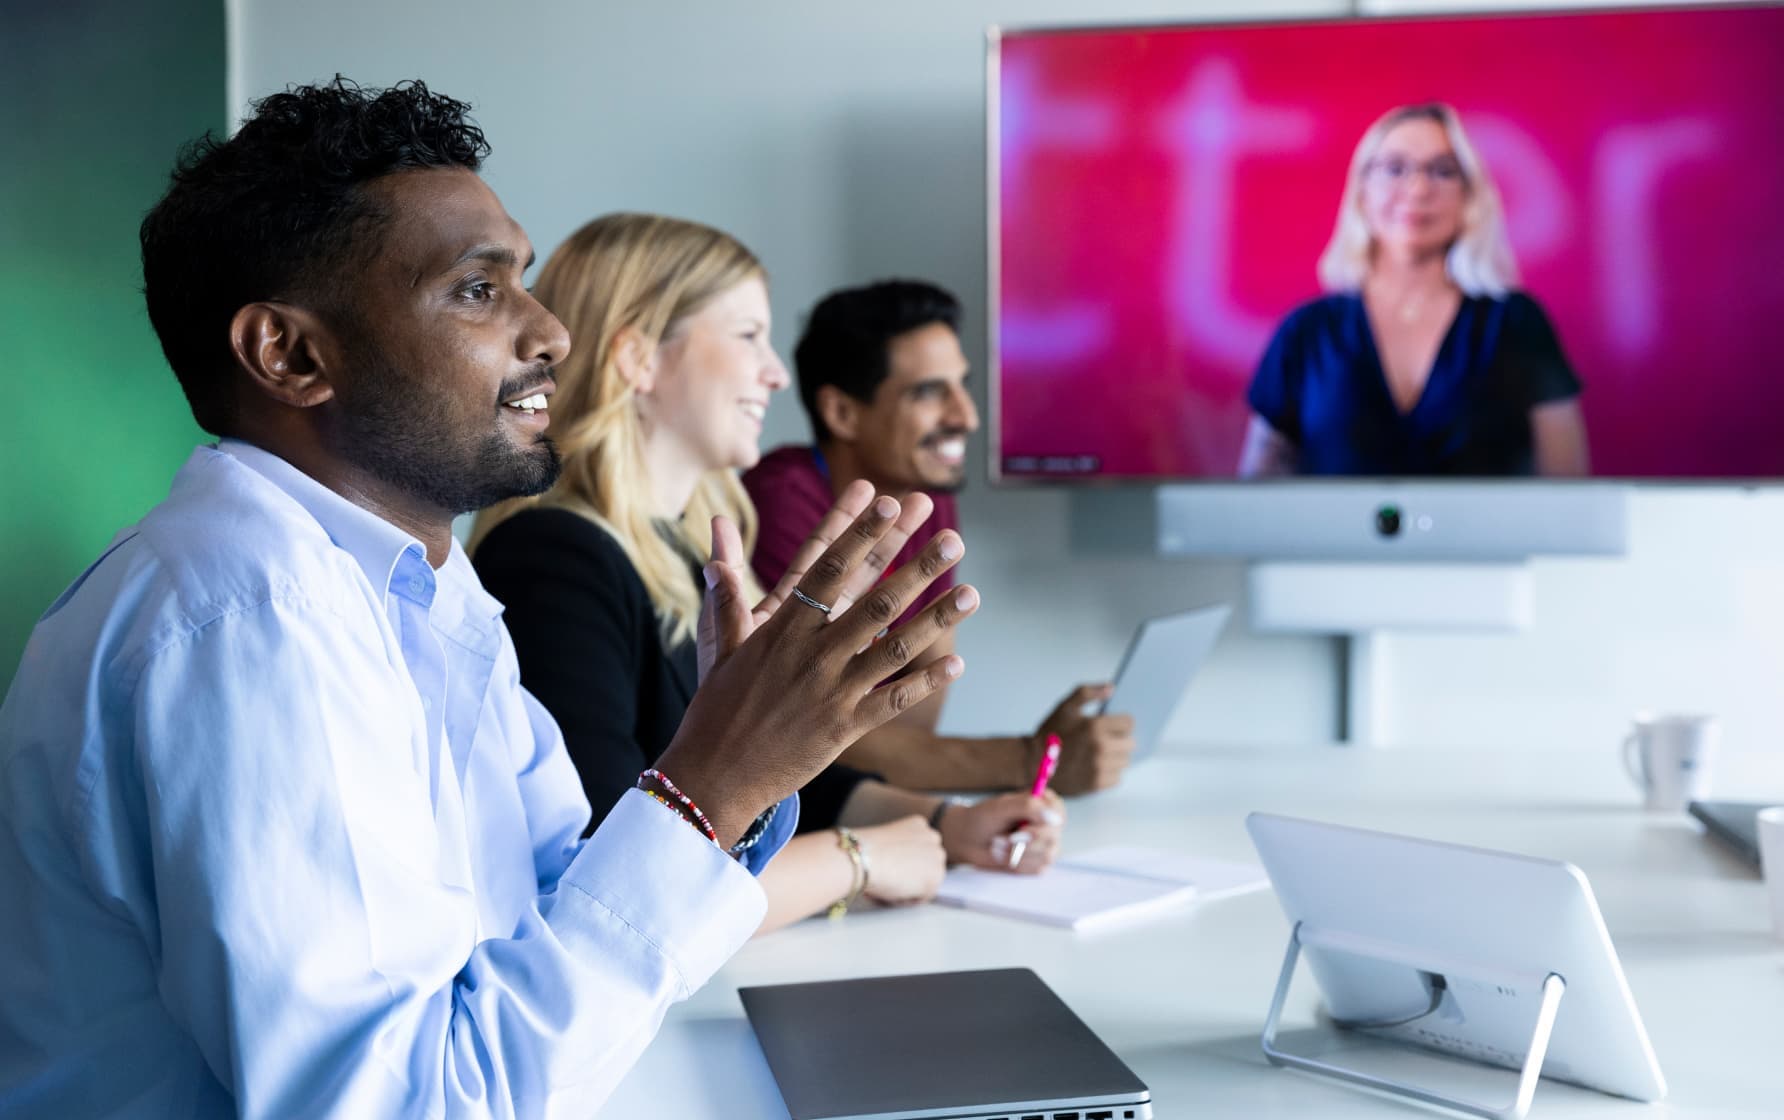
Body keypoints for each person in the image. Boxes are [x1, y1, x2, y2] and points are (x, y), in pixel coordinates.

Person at [0, 80, 974, 1118]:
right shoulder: (249, 620)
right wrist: (709, 788)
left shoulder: (419, 584)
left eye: (521, 280)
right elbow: (405, 1106)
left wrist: (731, 765)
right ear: (290, 354)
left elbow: (552, 905)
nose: (550, 331)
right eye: (476, 289)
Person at [469, 214, 1065, 933]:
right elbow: (608, 884)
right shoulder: (553, 562)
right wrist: (857, 860)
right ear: (639, 358)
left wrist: (946, 823)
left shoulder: (687, 552)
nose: (777, 373)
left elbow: (760, 779)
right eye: (749, 335)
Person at [744, 281, 1135, 795]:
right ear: (842, 413)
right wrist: (1032, 761)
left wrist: (1023, 760)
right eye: (928, 392)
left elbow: (907, 718)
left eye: (961, 385)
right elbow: (809, 738)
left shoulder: (927, 498)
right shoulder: (779, 503)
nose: (966, 417)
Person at [1238, 102, 1589, 479]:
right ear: (1362, 193)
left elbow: (1567, 485)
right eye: (1395, 169)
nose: (1419, 188)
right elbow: (1256, 488)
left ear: (1469, 197)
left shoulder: (1518, 323)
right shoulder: (1306, 332)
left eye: (1442, 171)